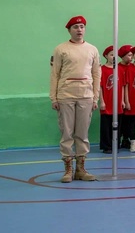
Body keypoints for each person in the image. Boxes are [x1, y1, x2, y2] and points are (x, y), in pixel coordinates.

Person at [49, 15, 100, 183]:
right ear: (69, 30)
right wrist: (54, 97)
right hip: (66, 96)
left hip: (86, 95)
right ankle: (68, 170)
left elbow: (96, 74)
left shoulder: (92, 49)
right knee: (67, 133)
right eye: (76, 27)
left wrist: (95, 97)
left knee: (82, 134)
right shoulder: (60, 49)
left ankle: (81, 169)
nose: (79, 30)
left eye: (82, 26)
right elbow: (55, 74)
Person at [99, 45, 125, 154]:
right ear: (106, 56)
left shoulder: (119, 69)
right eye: (111, 55)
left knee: (118, 124)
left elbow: (123, 85)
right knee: (106, 125)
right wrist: (101, 101)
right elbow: (99, 86)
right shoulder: (102, 70)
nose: (113, 57)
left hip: (117, 102)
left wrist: (122, 100)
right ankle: (106, 146)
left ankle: (116, 144)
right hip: (107, 101)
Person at [117, 44, 134, 150]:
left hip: (132, 98)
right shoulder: (118, 68)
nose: (131, 58)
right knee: (121, 121)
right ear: (122, 56)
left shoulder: (133, 68)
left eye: (132, 55)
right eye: (129, 55)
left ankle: (128, 139)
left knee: (130, 121)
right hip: (121, 99)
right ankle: (121, 139)